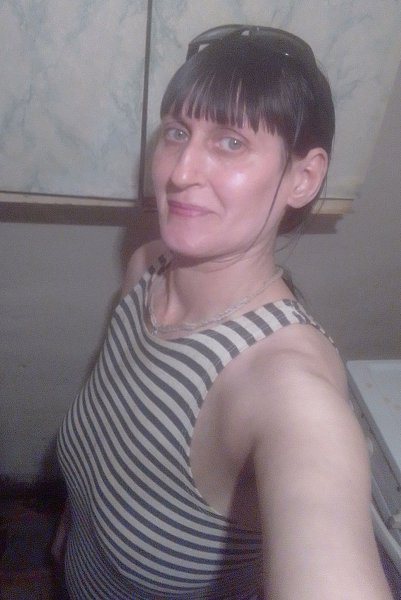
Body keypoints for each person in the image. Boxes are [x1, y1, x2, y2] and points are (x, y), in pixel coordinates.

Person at [55, 25, 393, 599]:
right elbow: (110, 455)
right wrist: (77, 520)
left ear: (303, 177)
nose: (180, 172)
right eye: (177, 132)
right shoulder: (146, 270)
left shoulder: (286, 391)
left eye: (231, 142)